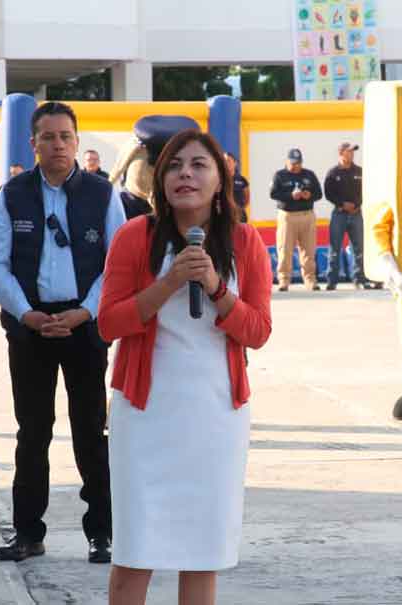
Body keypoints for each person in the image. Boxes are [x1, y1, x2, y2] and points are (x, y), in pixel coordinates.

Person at [98, 130, 272, 605]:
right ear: (159, 179)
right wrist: (170, 280)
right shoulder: (136, 236)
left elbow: (257, 330)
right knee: (136, 548)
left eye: (198, 165)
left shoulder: (244, 240)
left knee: (202, 552)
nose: (185, 174)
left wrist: (216, 287)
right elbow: (109, 323)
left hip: (215, 415)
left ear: (220, 181)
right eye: (174, 166)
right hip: (146, 412)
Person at [0, 101, 125, 564]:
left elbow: (117, 264)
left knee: (90, 430)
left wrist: (85, 312)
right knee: (32, 431)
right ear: (34, 144)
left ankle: (102, 532)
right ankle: (28, 533)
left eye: (66, 136)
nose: (58, 144)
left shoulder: (104, 195)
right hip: (30, 328)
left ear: (77, 142)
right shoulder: (11, 194)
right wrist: (26, 313)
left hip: (85, 328)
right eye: (48, 137)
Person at [269, 148, 322, 291]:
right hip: (288, 216)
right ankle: (284, 281)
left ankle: (310, 280)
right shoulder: (279, 175)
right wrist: (291, 196)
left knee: (308, 250)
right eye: (292, 163)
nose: (295, 166)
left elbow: (319, 194)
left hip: (307, 215)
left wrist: (308, 195)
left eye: (298, 163)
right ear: (287, 161)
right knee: (285, 249)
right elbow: (273, 194)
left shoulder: (309, 175)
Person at [324, 142, 374, 290]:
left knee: (359, 248)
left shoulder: (359, 171)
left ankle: (360, 279)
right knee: (335, 248)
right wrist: (341, 204)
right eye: (349, 151)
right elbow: (328, 193)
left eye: (353, 152)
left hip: (357, 214)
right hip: (339, 214)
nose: (352, 154)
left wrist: (357, 205)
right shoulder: (333, 173)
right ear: (341, 153)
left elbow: (366, 190)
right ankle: (332, 281)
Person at [225, 152, 249, 223]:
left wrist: (241, 208)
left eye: (228, 161)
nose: (226, 163)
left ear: (235, 163)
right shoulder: (218, 179)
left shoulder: (241, 180)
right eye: (224, 161)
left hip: (239, 214)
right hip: (225, 213)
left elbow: (247, 197)